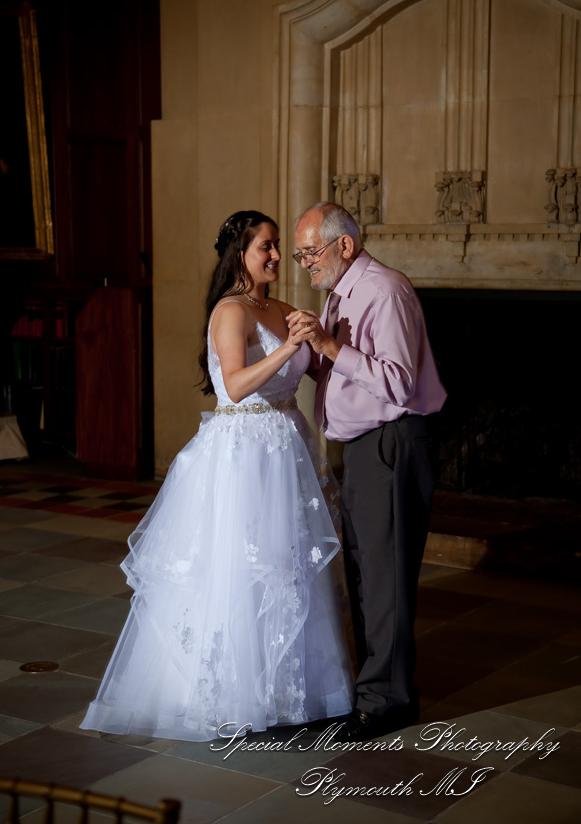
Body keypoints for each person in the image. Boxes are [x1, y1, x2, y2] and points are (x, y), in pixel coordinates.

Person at [79, 210, 353, 742]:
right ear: (240, 254)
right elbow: (236, 382)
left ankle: (293, 689)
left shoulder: (281, 308)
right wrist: (292, 348)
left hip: (285, 448)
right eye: (266, 247)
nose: (276, 256)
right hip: (244, 452)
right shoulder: (231, 311)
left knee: (289, 568)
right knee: (241, 568)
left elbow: (309, 368)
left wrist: (318, 338)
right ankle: (233, 693)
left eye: (278, 247)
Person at [288, 202, 447, 741]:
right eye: (300, 253)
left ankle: (388, 702)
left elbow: (398, 382)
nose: (304, 263)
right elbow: (346, 367)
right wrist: (309, 352)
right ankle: (374, 687)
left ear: (345, 246)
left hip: (392, 443)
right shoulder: (340, 293)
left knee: (386, 577)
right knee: (365, 570)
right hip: (364, 446)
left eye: (310, 251)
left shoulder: (385, 291)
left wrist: (330, 345)